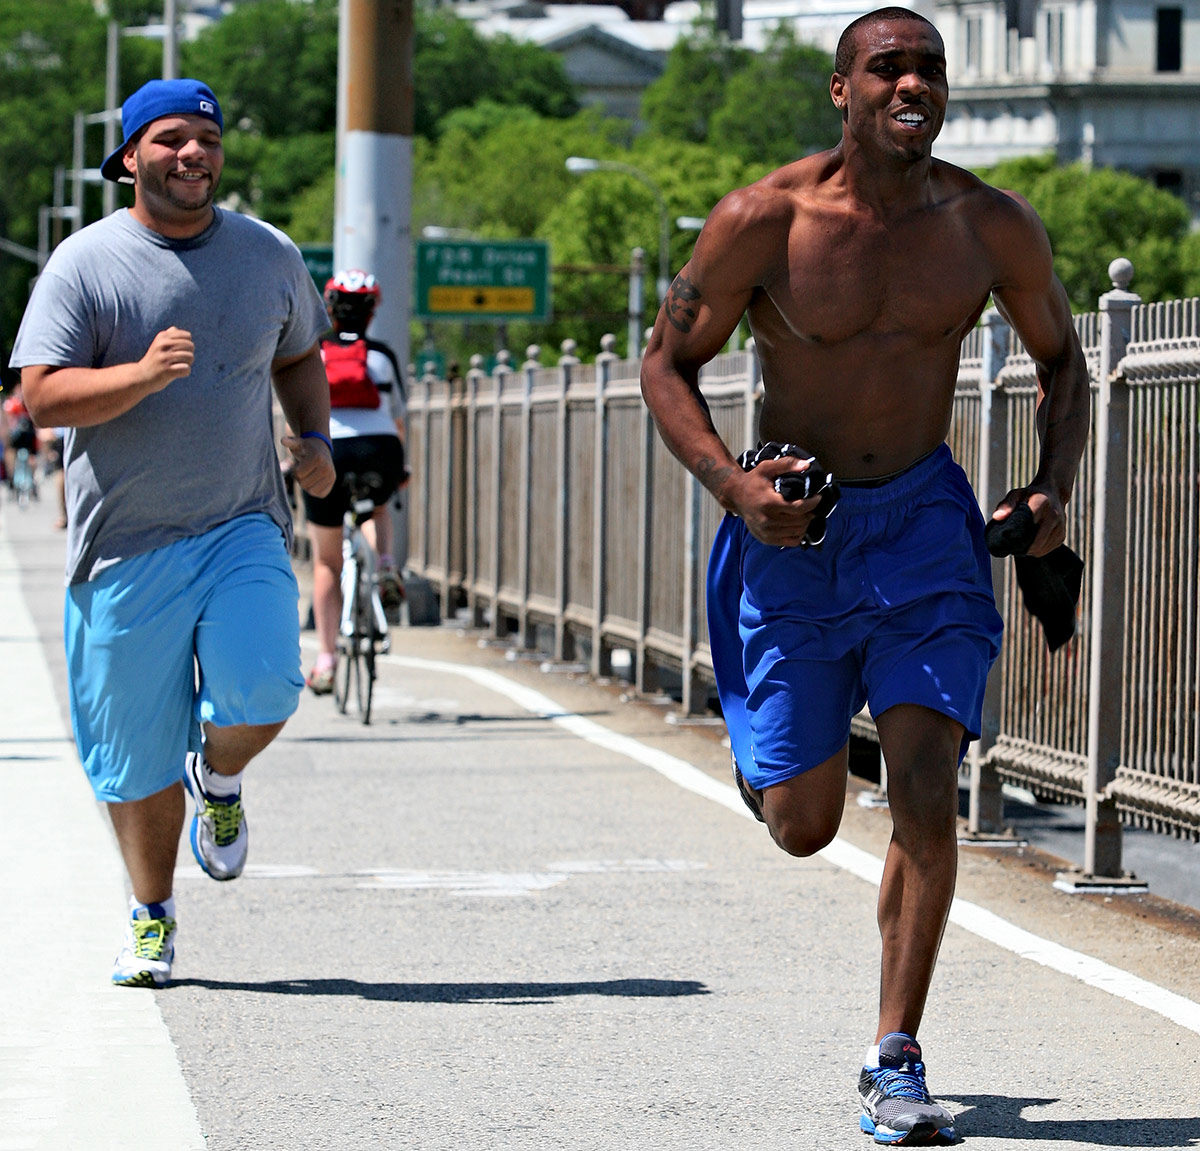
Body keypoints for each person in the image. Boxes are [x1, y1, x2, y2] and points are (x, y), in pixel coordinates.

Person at [640, 8, 1090, 1144]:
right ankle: (780, 757)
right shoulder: (764, 220)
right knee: (801, 822)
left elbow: (1062, 361)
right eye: (886, 66)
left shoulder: (989, 226)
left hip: (925, 528)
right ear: (839, 90)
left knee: (929, 776)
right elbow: (666, 362)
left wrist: (1049, 487)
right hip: (794, 526)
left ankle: (896, 1055)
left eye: (930, 67)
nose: (912, 82)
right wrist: (734, 490)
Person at [9, 78, 336, 989]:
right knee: (132, 754)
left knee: (267, 687)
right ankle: (151, 915)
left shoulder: (267, 253)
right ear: (130, 158)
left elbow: (300, 350)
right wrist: (140, 378)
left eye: (206, 139)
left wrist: (311, 439)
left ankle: (221, 780)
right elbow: (41, 394)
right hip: (124, 544)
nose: (193, 154)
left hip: (241, 523)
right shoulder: (86, 264)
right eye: (170, 140)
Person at [301, 268, 408, 695]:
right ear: (372, 310)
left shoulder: (314, 354)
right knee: (377, 502)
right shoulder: (381, 354)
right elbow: (397, 416)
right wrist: (401, 467)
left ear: (329, 307)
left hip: (331, 452)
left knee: (328, 561)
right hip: (381, 449)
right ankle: (384, 564)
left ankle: (326, 660)